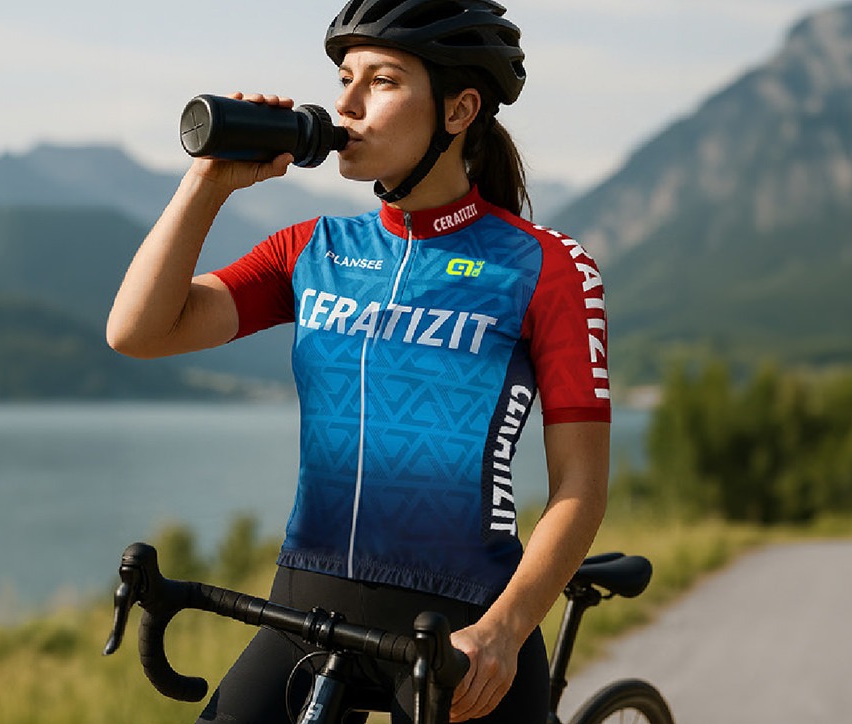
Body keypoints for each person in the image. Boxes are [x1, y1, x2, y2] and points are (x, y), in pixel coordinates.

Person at [105, 1, 609, 723]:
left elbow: (581, 488)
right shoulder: (310, 250)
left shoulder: (548, 268)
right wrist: (209, 181)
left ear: (460, 109)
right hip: (306, 611)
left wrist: (506, 629)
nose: (345, 104)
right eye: (344, 77)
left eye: (382, 80)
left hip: (462, 629)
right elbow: (138, 330)